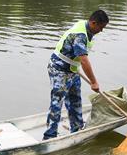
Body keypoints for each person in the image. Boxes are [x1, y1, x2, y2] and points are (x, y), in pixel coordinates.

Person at [43, 9, 109, 140]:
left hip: (72, 69)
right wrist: (94, 82)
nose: (101, 31)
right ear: (94, 23)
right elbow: (84, 60)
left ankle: (77, 128)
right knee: (57, 102)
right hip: (59, 69)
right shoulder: (80, 35)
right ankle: (49, 136)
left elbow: (79, 58)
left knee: (75, 100)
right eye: (101, 27)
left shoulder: (87, 29)